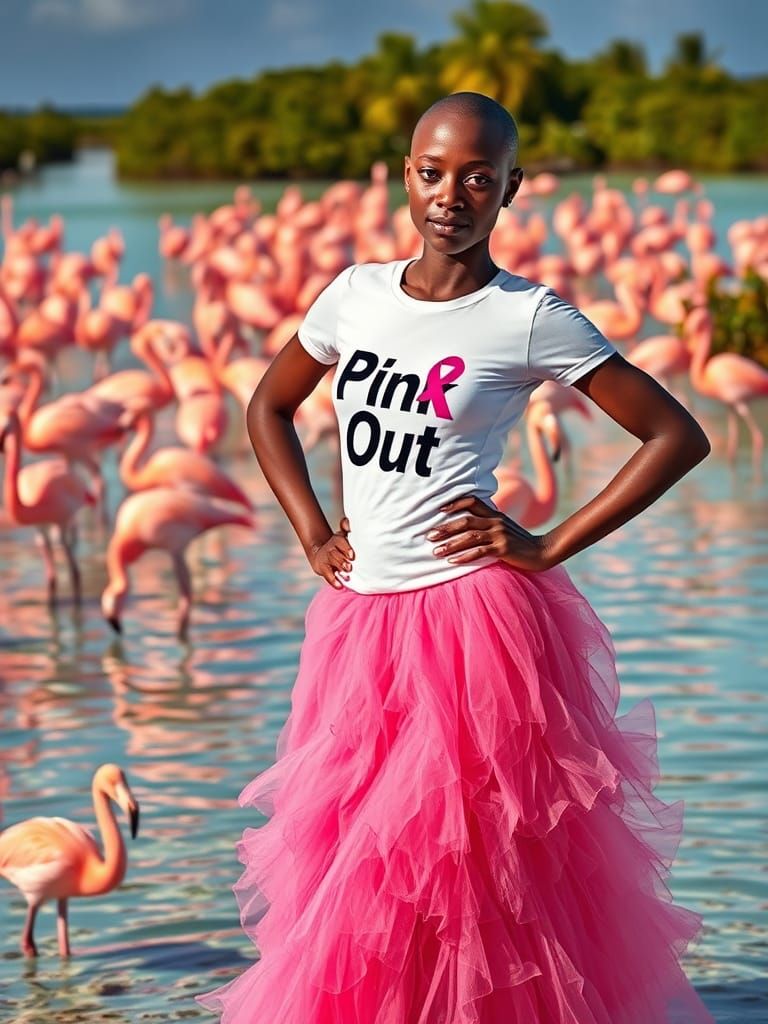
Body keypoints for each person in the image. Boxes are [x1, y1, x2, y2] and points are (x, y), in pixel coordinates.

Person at [198, 93, 714, 1023]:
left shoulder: (526, 317)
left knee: (478, 879)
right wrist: (314, 530)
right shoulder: (353, 295)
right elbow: (267, 408)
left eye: (479, 177)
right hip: (361, 624)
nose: (452, 195)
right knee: (362, 872)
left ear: (509, 189)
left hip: (475, 629)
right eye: (433, 172)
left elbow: (675, 435)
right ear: (406, 175)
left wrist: (549, 542)